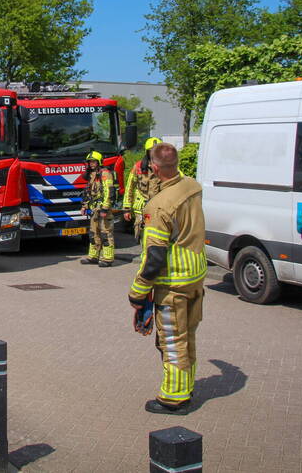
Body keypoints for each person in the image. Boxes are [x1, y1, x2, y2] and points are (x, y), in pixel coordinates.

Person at [127, 143, 208, 414]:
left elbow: (154, 259)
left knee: (172, 342)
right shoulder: (191, 186)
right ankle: (186, 386)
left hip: (172, 284)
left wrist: (137, 294)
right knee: (188, 337)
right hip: (195, 278)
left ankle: (174, 399)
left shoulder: (159, 206)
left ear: (154, 167)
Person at [122, 136, 163, 243]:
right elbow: (129, 188)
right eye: (152, 151)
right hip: (142, 209)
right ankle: (146, 258)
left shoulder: (167, 166)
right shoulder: (138, 167)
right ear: (147, 152)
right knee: (144, 236)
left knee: (160, 236)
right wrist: (126, 209)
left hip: (161, 208)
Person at [81, 150, 116, 267]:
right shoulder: (92, 175)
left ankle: (108, 258)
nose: (91, 164)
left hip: (103, 209)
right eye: (89, 162)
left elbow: (109, 192)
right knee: (93, 233)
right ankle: (93, 256)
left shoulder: (105, 173)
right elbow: (88, 192)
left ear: (99, 162)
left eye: (93, 162)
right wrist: (85, 205)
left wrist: (105, 208)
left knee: (105, 233)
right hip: (94, 209)